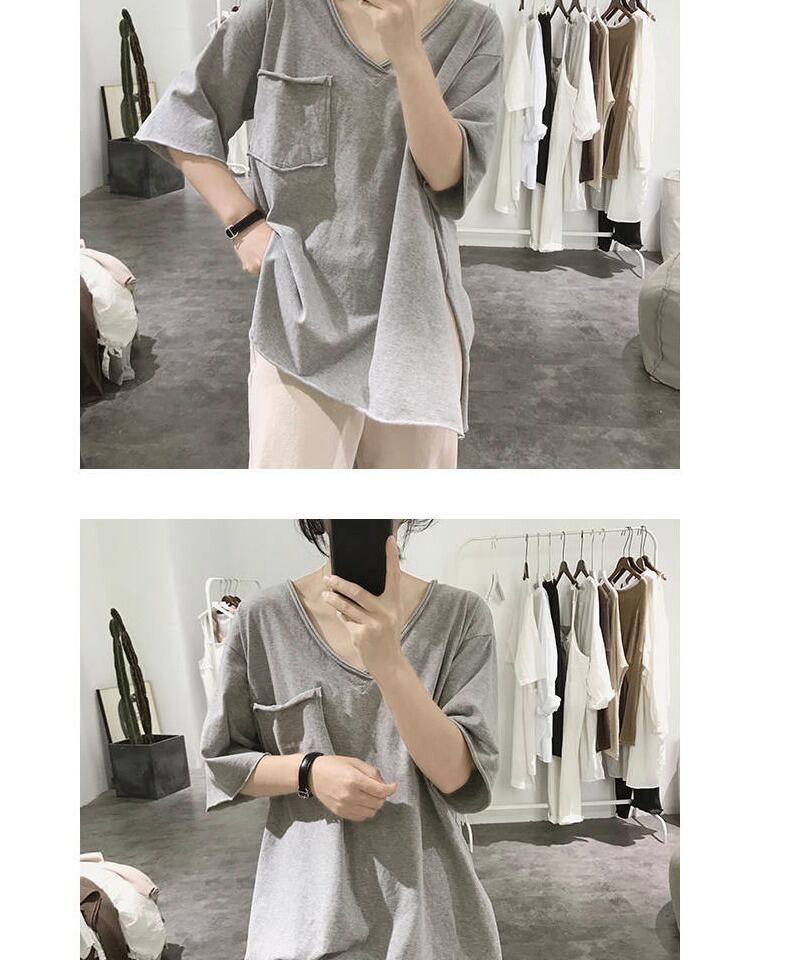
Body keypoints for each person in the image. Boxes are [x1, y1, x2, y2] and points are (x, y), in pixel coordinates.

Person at [135, 1, 504, 469]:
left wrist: (409, 53)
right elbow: (184, 113)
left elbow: (448, 176)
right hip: (297, 316)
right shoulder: (282, 11)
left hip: (415, 318)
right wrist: (242, 224)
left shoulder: (474, 27)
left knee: (404, 499)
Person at [200, 519, 502, 959]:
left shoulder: (460, 617)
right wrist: (308, 771)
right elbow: (223, 762)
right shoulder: (263, 620)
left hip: (427, 916)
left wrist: (389, 661)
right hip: (306, 914)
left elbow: (459, 777)